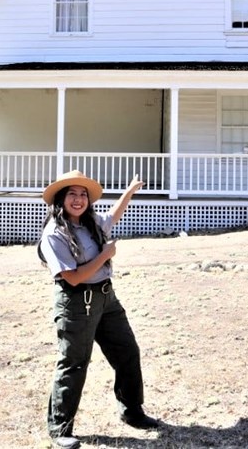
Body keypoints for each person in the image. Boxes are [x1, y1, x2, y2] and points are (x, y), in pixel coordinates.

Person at [38, 170, 157, 449]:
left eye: (83, 195)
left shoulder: (91, 223)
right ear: (61, 199)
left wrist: (129, 190)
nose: (78, 200)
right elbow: (73, 277)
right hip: (76, 303)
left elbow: (114, 214)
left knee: (127, 351)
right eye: (72, 194)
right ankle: (60, 429)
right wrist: (105, 255)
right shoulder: (54, 234)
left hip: (106, 299)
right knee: (74, 362)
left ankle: (132, 411)